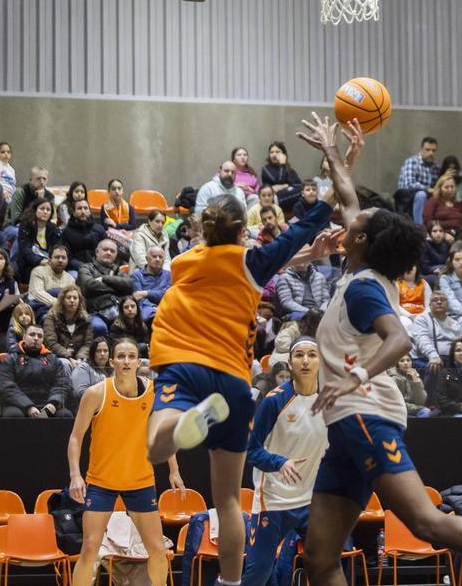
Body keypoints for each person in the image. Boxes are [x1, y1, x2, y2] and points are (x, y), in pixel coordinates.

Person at [303, 126, 462, 586]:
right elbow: (346, 197)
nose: (352, 220)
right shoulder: (359, 266)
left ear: (361, 241)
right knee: (321, 558)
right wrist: (335, 152)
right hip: (344, 425)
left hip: (365, 412)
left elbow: (399, 341)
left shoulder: (365, 289)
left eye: (357, 225)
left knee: (425, 521)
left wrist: (354, 375)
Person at [144, 116, 352, 586]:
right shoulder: (253, 263)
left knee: (157, 445)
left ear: (204, 228)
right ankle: (231, 583)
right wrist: (338, 163)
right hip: (234, 382)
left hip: (183, 364)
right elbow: (311, 220)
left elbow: (228, 264)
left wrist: (303, 255)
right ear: (244, 232)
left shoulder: (182, 264)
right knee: (229, 501)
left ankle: (180, 422)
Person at [68, 338, 183, 586]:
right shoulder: (96, 393)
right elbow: (76, 438)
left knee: (157, 550)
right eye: (121, 356)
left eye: (131, 356)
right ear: (111, 362)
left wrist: (174, 470)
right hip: (101, 481)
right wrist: (75, 475)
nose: (126, 361)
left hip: (140, 481)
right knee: (89, 549)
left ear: (139, 361)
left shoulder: (154, 392)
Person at [241, 337, 327, 586]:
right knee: (258, 574)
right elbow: (250, 451)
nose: (306, 360)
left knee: (327, 567)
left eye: (312, 355)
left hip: (312, 502)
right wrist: (279, 462)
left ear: (321, 361)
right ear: (290, 363)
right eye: (299, 355)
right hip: (274, 501)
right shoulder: (274, 401)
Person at [0, 324, 72, 418]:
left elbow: (61, 383)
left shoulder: (53, 359)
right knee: (13, 415)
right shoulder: (11, 359)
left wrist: (53, 402)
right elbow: (6, 386)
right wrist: (28, 407)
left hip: (46, 406)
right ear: (24, 337)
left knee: (65, 415)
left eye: (40, 336)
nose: (36, 338)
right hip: (19, 406)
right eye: (32, 334)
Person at [78, 239, 134, 336]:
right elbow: (88, 286)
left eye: (112, 251)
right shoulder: (86, 268)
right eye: (105, 250)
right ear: (97, 252)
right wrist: (117, 288)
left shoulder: (118, 271)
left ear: (116, 254)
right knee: (99, 327)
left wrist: (105, 278)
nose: (109, 253)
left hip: (118, 312)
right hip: (95, 312)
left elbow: (130, 285)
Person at [408, 291, 462, 374]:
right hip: (425, 359)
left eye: (442, 300)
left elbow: (460, 344)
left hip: (449, 360)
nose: (439, 302)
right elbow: (422, 339)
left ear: (447, 304)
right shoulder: (422, 319)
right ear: (429, 305)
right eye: (435, 300)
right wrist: (433, 355)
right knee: (436, 368)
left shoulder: (455, 323)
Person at [43, 285, 93, 367]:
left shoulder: (86, 320)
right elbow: (51, 343)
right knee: (65, 364)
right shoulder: (51, 318)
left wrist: (80, 358)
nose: (72, 300)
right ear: (62, 300)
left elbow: (88, 344)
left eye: (75, 298)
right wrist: (68, 357)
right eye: (68, 297)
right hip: (58, 357)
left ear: (79, 301)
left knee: (85, 365)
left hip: (79, 358)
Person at [395, 136, 440, 222]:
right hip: (407, 198)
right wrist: (429, 190)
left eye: (433, 150)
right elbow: (409, 184)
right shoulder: (412, 162)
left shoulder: (436, 167)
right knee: (421, 194)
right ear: (422, 149)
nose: (431, 153)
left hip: (428, 197)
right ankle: (419, 227)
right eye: (427, 150)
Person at [17, 198, 62, 282]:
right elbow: (25, 249)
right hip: (29, 264)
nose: (45, 212)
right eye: (42, 209)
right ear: (35, 210)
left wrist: (52, 261)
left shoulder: (54, 229)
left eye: (48, 210)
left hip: (50, 263)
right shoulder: (26, 226)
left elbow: (58, 248)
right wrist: (39, 261)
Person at [28, 245, 75, 320]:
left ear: (67, 261)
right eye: (57, 257)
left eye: (63, 258)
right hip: (41, 309)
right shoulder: (38, 271)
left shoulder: (70, 279)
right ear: (49, 260)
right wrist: (58, 303)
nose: (60, 260)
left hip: (62, 311)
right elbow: (37, 293)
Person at [62, 198, 107, 271]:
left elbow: (106, 250)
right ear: (73, 212)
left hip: (98, 267)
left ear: (89, 211)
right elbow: (67, 256)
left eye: (85, 208)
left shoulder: (99, 229)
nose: (83, 211)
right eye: (79, 208)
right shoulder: (66, 232)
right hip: (76, 269)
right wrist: (83, 266)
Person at [69, 337, 112, 413]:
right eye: (98, 351)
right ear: (93, 353)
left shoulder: (112, 369)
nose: (102, 354)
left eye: (105, 351)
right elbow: (81, 392)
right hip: (86, 409)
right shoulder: (83, 367)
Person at [260, 140, 304, 211]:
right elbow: (279, 181)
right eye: (271, 152)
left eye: (277, 152)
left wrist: (285, 186)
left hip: (289, 199)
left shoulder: (289, 169)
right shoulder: (266, 168)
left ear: (284, 155)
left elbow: (298, 185)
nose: (274, 154)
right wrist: (282, 164)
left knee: (304, 190)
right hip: (273, 198)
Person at [132, 246, 170, 324]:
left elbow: (167, 295)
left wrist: (146, 293)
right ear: (147, 259)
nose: (157, 259)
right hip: (146, 309)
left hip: (166, 307)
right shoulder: (137, 275)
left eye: (160, 257)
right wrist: (153, 308)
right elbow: (138, 298)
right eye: (154, 256)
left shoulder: (169, 275)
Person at [438, 250, 462, 319]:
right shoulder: (445, 278)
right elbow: (450, 299)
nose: (461, 262)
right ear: (451, 262)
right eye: (457, 260)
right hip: (452, 315)